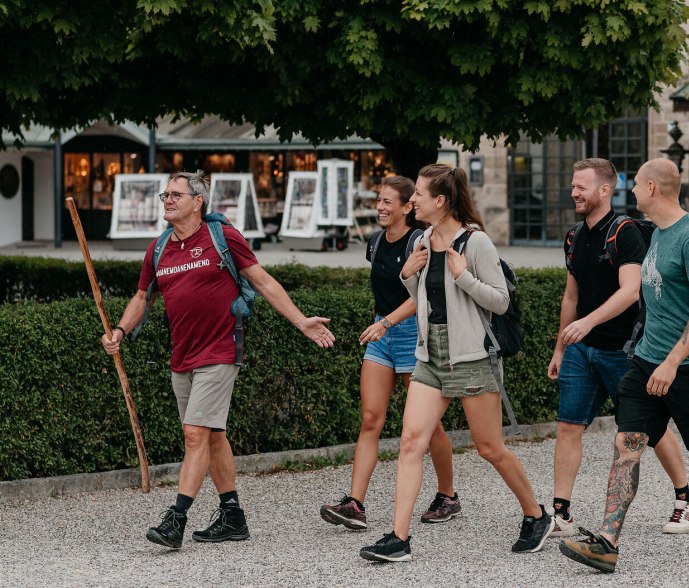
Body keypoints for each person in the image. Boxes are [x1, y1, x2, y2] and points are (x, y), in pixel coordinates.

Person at [102, 170, 335, 550]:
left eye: (176, 195)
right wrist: (120, 331)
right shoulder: (158, 249)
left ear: (198, 201)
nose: (167, 200)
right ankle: (233, 516)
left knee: (195, 434)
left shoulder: (222, 237)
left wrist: (301, 322)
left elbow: (263, 281)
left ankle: (176, 520)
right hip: (183, 355)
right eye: (165, 195)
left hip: (221, 350)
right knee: (211, 436)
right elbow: (142, 297)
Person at [558, 159, 689, 573]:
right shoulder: (658, 234)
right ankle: (607, 541)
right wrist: (652, 360)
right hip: (646, 361)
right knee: (627, 443)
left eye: (634, 184)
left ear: (652, 187)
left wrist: (672, 362)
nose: (629, 190)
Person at [359, 164, 554, 562]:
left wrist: (464, 276)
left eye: (419, 194)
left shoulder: (476, 242)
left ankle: (536, 515)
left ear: (441, 200)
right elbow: (425, 298)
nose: (413, 200)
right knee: (411, 442)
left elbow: (501, 301)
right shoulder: (424, 239)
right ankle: (399, 537)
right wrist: (408, 275)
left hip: (471, 356)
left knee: (490, 448)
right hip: (430, 354)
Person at [547, 158, 689, 538]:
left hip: (624, 351)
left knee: (651, 428)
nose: (574, 192)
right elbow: (570, 297)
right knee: (568, 426)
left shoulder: (625, 232)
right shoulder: (574, 236)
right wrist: (561, 347)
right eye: (572, 185)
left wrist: (588, 322)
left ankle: (686, 499)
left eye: (581, 186)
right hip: (581, 351)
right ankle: (561, 514)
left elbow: (631, 291)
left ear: (604, 190)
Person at [320, 175, 458, 530]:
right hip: (382, 334)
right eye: (378, 200)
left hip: (412, 335)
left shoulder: (419, 242)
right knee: (370, 419)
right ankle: (355, 504)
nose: (380, 207)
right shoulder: (376, 241)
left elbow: (422, 295)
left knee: (429, 425)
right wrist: (381, 324)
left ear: (407, 206)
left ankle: (448, 496)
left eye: (387, 202)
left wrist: (387, 323)